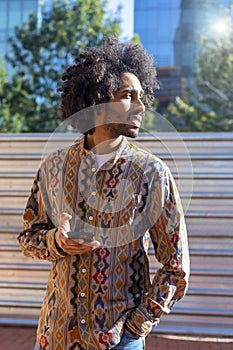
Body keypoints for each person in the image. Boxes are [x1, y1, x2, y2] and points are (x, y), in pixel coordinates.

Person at [18, 37, 190, 350]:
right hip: (53, 336)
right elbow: (29, 237)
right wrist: (57, 241)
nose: (141, 106)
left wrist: (135, 328)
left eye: (142, 96)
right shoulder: (53, 168)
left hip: (115, 340)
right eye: (128, 96)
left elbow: (176, 268)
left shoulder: (152, 173)